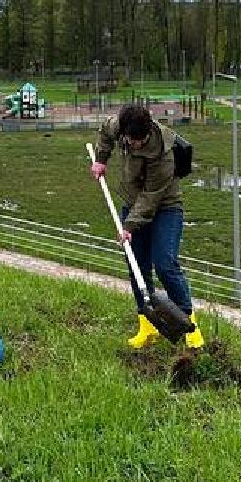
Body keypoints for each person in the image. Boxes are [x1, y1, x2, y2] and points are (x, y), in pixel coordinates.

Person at [92, 102, 202, 348]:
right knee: (137, 267)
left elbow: (151, 197)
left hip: (165, 206)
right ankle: (148, 327)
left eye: (140, 140)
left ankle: (190, 328)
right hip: (132, 203)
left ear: (148, 130)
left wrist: (129, 226)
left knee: (165, 264)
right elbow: (105, 131)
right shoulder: (119, 126)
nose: (135, 145)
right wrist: (101, 159)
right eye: (132, 140)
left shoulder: (163, 151)